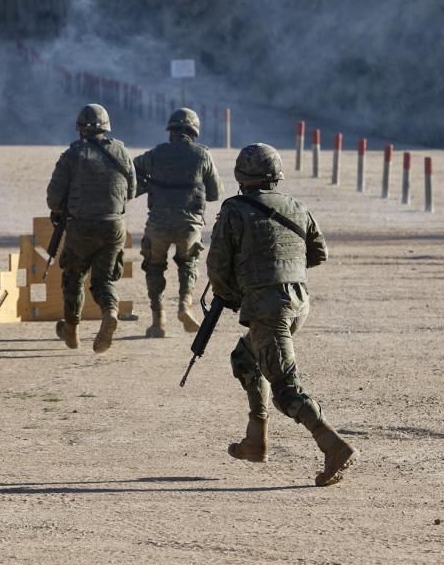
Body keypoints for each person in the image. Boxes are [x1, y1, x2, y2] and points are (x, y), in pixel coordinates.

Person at [207, 143, 357, 487]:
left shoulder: (234, 210)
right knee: (245, 359)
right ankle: (255, 440)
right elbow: (319, 253)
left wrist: (237, 294)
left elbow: (217, 267)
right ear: (276, 175)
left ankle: (334, 446)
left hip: (267, 308)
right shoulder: (296, 206)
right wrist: (282, 267)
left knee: (286, 390)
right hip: (297, 303)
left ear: (241, 176)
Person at [46, 103, 136, 353]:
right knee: (104, 279)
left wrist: (62, 211)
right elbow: (132, 190)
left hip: (81, 227)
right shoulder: (121, 152)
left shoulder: (72, 155)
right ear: (106, 127)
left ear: (79, 129)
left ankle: (72, 329)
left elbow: (54, 197)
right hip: (114, 225)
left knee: (74, 277)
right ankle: (110, 311)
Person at [133, 108, 223, 338]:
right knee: (188, 264)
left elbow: (131, 169)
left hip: (158, 223)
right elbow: (214, 193)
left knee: (154, 267)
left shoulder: (156, 154)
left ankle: (158, 320)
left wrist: (150, 183)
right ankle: (185, 305)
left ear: (170, 131)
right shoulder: (202, 155)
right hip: (189, 224)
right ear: (194, 132)